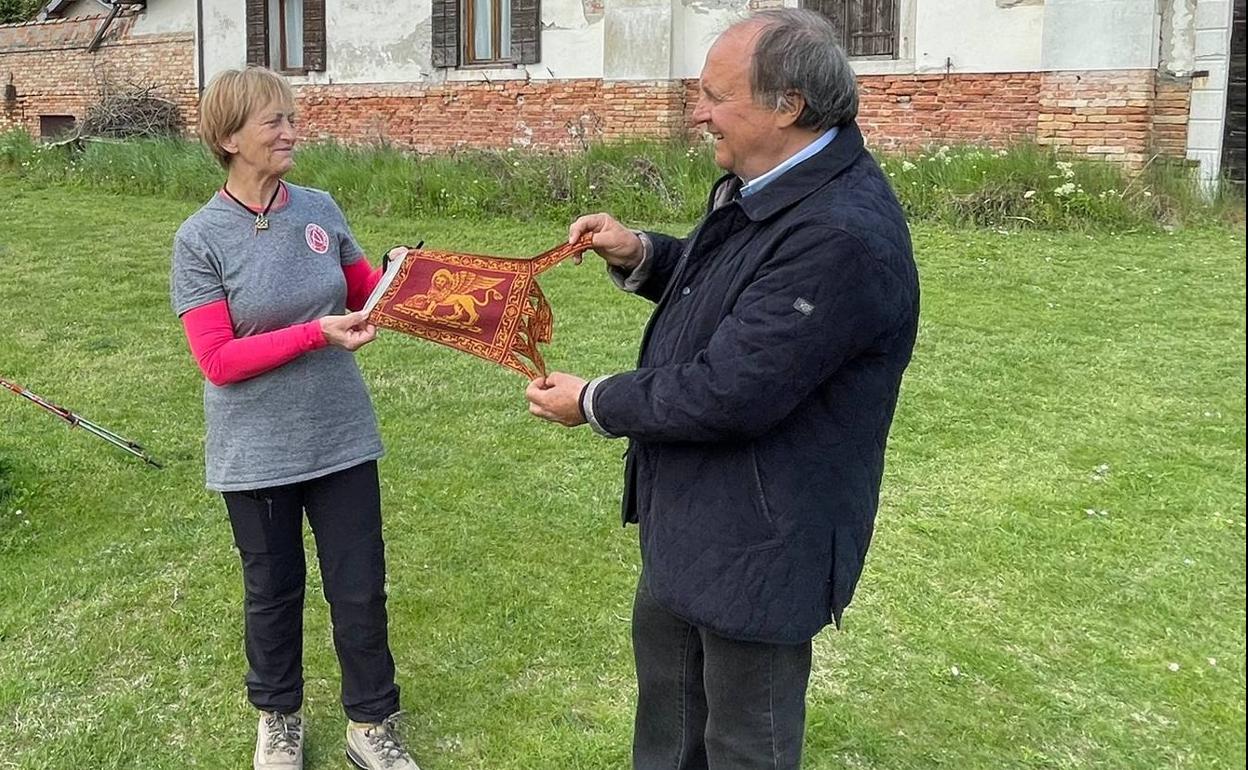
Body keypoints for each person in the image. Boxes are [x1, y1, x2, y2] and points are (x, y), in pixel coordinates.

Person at [526, 9, 919, 769]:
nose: (697, 112)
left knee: (743, 745)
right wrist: (642, 253)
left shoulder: (839, 234)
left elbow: (733, 389)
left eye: (714, 95)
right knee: (668, 735)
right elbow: (737, 297)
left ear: (788, 106)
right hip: (693, 523)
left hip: (763, 546)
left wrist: (595, 401)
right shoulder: (768, 184)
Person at [170, 67, 420, 770]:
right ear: (228, 138)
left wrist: (402, 277)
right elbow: (217, 360)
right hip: (255, 453)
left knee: (359, 587)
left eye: (291, 117)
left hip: (340, 436)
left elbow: (364, 291)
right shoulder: (200, 239)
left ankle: (371, 726)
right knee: (273, 594)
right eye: (272, 121)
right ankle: (277, 719)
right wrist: (316, 333)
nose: (290, 130)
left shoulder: (320, 207)